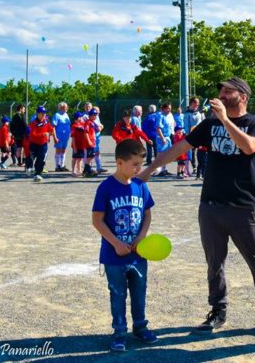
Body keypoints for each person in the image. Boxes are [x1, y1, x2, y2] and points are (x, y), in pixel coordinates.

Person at [138, 77, 255, 339]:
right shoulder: (209, 124)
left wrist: (226, 120)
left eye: (228, 91)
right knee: (215, 263)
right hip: (211, 206)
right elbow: (179, 147)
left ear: (243, 96)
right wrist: (148, 170)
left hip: (243, 207)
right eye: (221, 90)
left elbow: (249, 147)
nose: (222, 95)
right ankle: (218, 310)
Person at [92, 138, 159, 352]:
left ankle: (140, 327)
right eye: (135, 165)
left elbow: (147, 214)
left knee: (139, 292)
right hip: (114, 256)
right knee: (118, 293)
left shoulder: (141, 185)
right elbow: (97, 220)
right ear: (120, 163)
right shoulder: (106, 188)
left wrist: (141, 237)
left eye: (141, 164)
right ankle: (119, 332)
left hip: (138, 254)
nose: (140, 169)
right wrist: (116, 243)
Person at [28, 106, 58, 182]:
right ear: (37, 114)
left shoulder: (46, 122)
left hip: (43, 144)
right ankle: (29, 167)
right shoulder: (33, 123)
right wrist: (43, 134)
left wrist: (52, 136)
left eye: (44, 113)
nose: (43, 115)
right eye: (42, 113)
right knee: (31, 158)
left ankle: (38, 174)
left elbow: (51, 129)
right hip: (34, 143)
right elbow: (32, 134)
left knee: (41, 159)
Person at [184, 97, 205, 175]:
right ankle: (193, 168)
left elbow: (204, 121)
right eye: (196, 102)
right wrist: (188, 135)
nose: (198, 104)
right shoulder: (187, 113)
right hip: (191, 135)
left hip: (200, 135)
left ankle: (201, 169)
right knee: (191, 152)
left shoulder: (200, 112)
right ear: (192, 103)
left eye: (198, 103)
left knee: (200, 152)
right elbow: (186, 126)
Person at [154, 103, 174, 177]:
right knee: (160, 155)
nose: (169, 110)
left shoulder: (168, 116)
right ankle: (157, 170)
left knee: (166, 155)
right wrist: (162, 138)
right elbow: (158, 128)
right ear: (164, 108)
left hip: (168, 137)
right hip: (162, 138)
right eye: (168, 108)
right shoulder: (160, 116)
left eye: (170, 108)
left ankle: (164, 170)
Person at [52, 102, 71, 172]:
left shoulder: (66, 115)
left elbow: (68, 125)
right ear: (60, 108)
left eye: (66, 107)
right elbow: (53, 127)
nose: (66, 108)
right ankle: (57, 166)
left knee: (63, 150)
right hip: (59, 136)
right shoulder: (57, 115)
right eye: (64, 107)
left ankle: (62, 165)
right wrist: (54, 137)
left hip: (65, 136)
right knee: (58, 150)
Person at [71, 111, 91, 177]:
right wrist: (75, 148)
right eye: (80, 117)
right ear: (77, 118)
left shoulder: (82, 124)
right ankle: (73, 171)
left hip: (82, 145)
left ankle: (79, 170)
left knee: (80, 158)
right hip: (76, 145)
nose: (82, 118)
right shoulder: (74, 126)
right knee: (75, 158)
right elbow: (73, 138)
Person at [83, 109, 100, 177]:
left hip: (93, 141)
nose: (95, 116)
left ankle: (87, 169)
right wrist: (89, 141)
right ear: (91, 115)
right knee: (89, 156)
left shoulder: (93, 122)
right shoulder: (88, 122)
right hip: (89, 142)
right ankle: (87, 170)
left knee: (91, 156)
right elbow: (86, 133)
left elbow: (98, 129)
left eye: (96, 115)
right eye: (94, 115)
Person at [92, 106, 107, 174]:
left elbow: (101, 125)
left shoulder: (97, 117)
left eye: (98, 110)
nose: (97, 112)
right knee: (92, 153)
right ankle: (90, 168)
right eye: (96, 110)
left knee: (97, 152)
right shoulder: (90, 117)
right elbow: (97, 127)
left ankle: (99, 167)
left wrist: (101, 127)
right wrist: (100, 127)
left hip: (97, 137)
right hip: (92, 137)